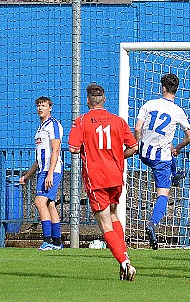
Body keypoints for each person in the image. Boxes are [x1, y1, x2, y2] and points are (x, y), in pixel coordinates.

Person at [68, 83, 138, 281]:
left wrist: (88, 151)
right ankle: (124, 260)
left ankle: (125, 263)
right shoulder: (118, 121)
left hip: (96, 178)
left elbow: (73, 148)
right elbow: (133, 147)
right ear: (104, 100)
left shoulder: (81, 121)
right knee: (114, 215)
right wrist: (117, 155)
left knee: (105, 224)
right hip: (116, 176)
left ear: (88, 101)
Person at [134, 73, 190, 250]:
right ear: (176, 90)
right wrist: (179, 147)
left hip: (144, 153)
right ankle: (152, 223)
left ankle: (174, 175)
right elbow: (189, 137)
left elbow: (137, 128)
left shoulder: (149, 105)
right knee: (163, 194)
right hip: (161, 160)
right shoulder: (178, 111)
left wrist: (139, 144)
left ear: (163, 88)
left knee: (168, 147)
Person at [19, 97, 64, 251]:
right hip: (42, 170)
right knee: (50, 204)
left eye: (43, 106)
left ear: (50, 108)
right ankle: (57, 242)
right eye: (38, 105)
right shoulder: (40, 128)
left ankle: (48, 240)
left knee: (39, 202)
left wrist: (50, 173)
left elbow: (56, 150)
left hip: (51, 170)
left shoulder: (53, 125)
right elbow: (39, 159)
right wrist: (27, 175)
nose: (40, 108)